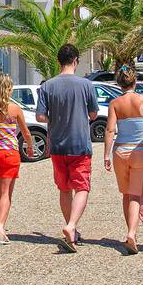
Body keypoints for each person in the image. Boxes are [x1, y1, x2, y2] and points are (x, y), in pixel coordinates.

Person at [36, 43, 98, 252]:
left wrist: (55, 117)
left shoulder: (47, 86)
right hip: (79, 143)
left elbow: (40, 116)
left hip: (57, 144)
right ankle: (71, 225)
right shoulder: (86, 85)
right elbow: (93, 114)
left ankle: (72, 231)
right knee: (82, 187)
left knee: (64, 188)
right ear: (76, 61)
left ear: (58, 61)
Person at [0, 73, 35, 245]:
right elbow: (25, 132)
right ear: (6, 89)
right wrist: (30, 146)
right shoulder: (15, 109)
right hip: (9, 153)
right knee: (5, 193)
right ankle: (1, 226)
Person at [104, 65, 143, 254]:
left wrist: (106, 155)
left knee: (126, 194)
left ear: (119, 83)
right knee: (135, 195)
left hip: (120, 151)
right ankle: (132, 232)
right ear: (135, 81)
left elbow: (110, 130)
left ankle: (130, 231)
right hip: (140, 150)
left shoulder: (115, 104)